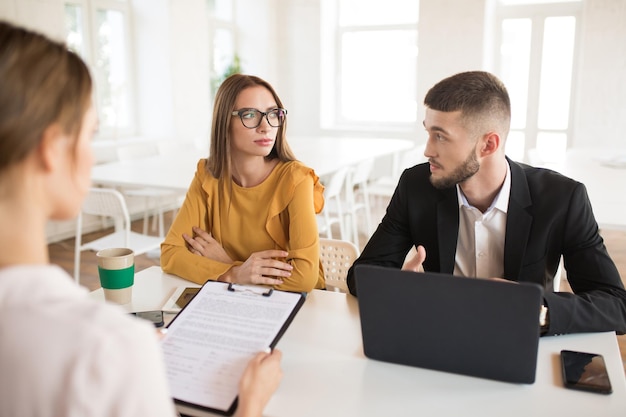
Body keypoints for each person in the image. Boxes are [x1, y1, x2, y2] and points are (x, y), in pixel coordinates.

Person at [0, 20, 281, 417]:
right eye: (90, 134)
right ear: (52, 149)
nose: (92, 155)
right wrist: (250, 402)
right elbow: (171, 253)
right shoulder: (106, 347)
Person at [347, 70, 626, 336]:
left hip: (519, 342)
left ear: (488, 145)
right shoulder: (416, 185)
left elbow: (616, 305)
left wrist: (537, 310)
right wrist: (397, 286)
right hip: (436, 335)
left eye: (440, 136)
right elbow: (359, 275)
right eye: (428, 133)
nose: (428, 150)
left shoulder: (563, 198)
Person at [161, 73, 325, 292]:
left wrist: (228, 265)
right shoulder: (207, 175)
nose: (266, 126)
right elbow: (171, 254)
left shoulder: (296, 179)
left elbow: (304, 279)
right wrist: (236, 273)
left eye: (273, 114)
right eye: (249, 115)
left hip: (300, 304)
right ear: (224, 122)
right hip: (237, 298)